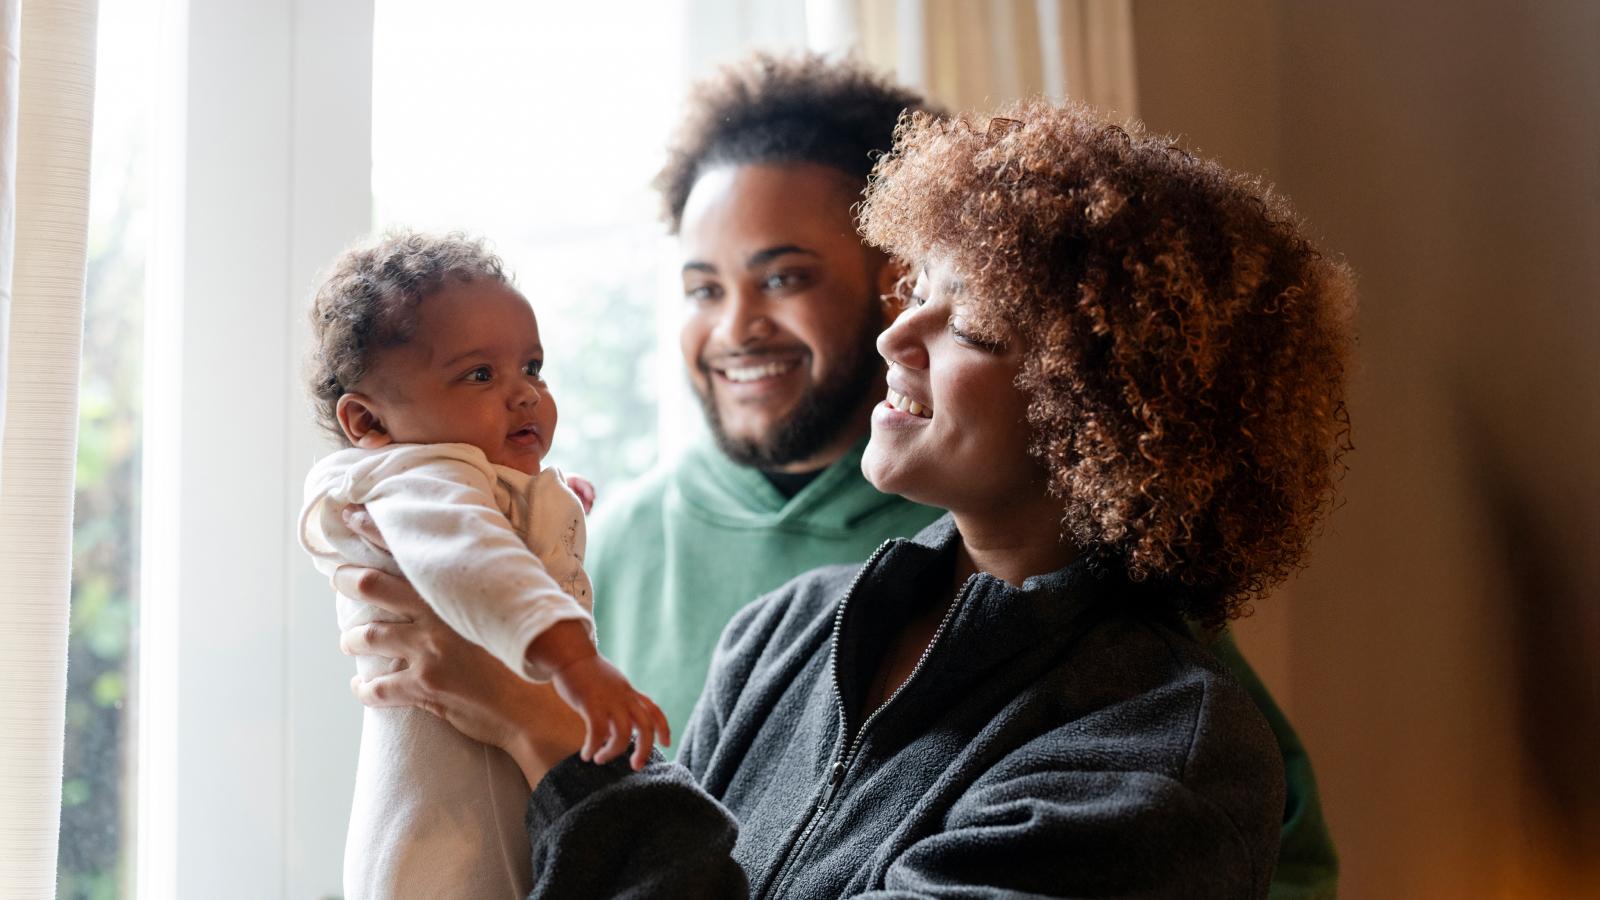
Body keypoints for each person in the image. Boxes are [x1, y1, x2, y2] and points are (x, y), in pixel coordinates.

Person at [335, 98, 1355, 897]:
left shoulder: (1160, 755)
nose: (894, 339)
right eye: (917, 297)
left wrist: (538, 724)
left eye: (975, 327)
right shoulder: (784, 632)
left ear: (1115, 401)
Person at [299, 232, 667, 899]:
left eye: (532, 367)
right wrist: (577, 662)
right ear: (368, 422)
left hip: (492, 794)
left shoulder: (447, 477)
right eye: (479, 375)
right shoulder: (413, 479)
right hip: (443, 834)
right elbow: (475, 560)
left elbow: (487, 523)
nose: (524, 394)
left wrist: (549, 506)